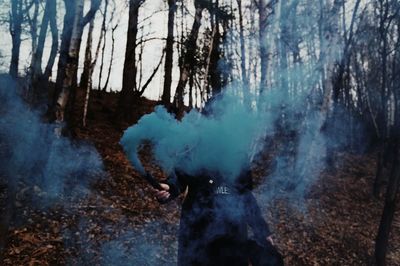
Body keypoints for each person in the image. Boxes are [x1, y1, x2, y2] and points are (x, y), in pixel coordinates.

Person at [153, 166, 282, 266]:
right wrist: (168, 188)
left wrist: (261, 229)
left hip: (233, 234)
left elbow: (246, 195)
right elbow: (177, 179)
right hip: (198, 231)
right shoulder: (193, 147)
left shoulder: (238, 153)